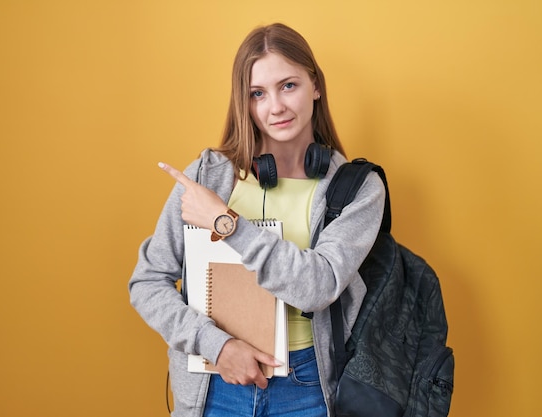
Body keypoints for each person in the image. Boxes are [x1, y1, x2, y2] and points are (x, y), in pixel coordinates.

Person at [129, 23, 385, 417]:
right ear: (244, 102)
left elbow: (318, 286)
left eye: (288, 86)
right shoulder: (208, 176)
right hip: (214, 383)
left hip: (308, 387)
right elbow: (147, 282)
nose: (275, 107)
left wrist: (226, 222)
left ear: (315, 85)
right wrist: (217, 346)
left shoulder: (357, 189)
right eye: (257, 94)